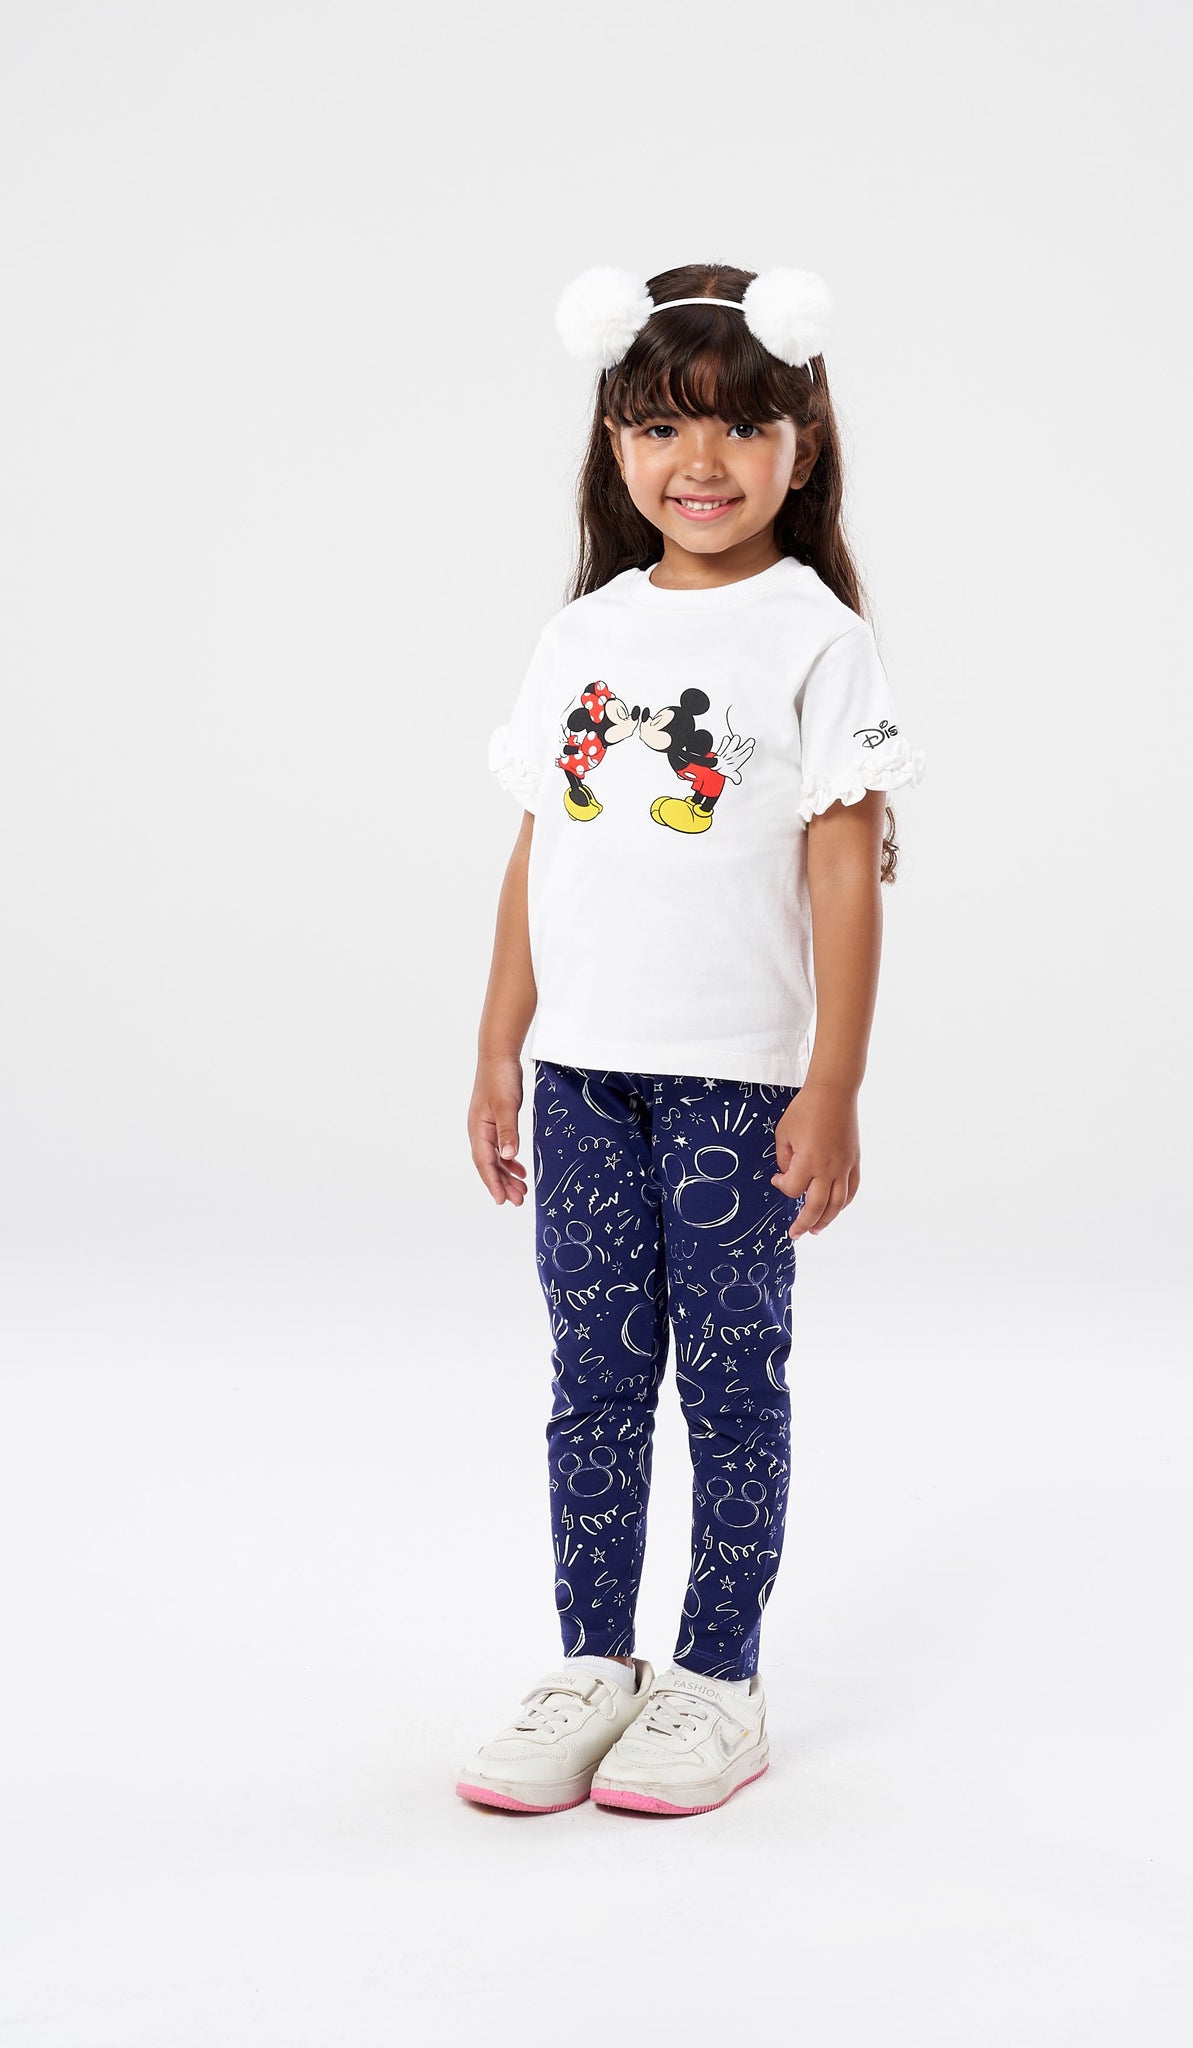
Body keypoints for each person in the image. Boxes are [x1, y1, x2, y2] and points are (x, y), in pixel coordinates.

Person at [455, 261, 924, 1817]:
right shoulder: (581, 632)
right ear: (614, 442)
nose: (698, 462)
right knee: (593, 1378)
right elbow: (541, 845)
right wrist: (499, 1048)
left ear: (803, 442)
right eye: (660, 427)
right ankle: (595, 1662)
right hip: (585, 1078)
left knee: (728, 1386)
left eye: (737, 426)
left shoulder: (816, 637)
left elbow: (843, 864)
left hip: (736, 1086)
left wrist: (834, 1081)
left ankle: (717, 1679)